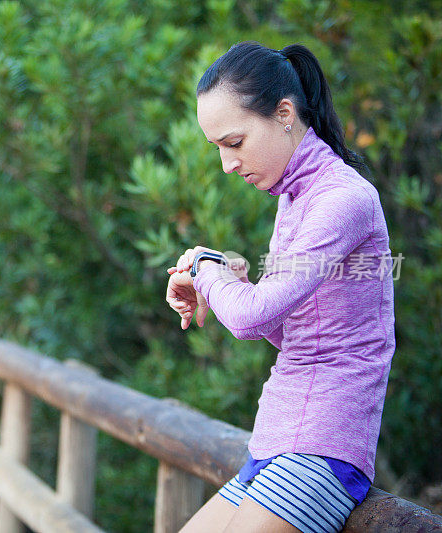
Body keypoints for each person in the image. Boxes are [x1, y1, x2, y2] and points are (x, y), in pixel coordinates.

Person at [165, 41, 396, 533]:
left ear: (284, 113)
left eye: (235, 142)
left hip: (322, 447)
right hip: (275, 441)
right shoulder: (293, 196)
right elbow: (282, 330)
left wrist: (207, 266)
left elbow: (248, 319)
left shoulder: (343, 198)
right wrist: (231, 280)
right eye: (219, 149)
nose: (227, 164)